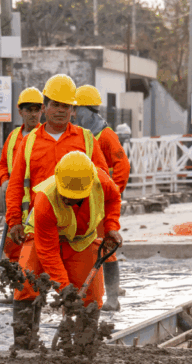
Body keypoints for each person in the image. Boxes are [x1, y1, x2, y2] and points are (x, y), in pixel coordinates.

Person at [13, 151, 122, 349]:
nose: (70, 202)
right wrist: (65, 290)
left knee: (91, 294)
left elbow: (114, 199)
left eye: (76, 198)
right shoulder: (45, 200)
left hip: (82, 240)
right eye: (66, 198)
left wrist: (111, 227)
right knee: (27, 280)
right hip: (41, 238)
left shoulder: (101, 182)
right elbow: (48, 252)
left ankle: (83, 345)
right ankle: (24, 344)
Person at [6, 74, 109, 249]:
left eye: (65, 106)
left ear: (72, 110)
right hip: (40, 228)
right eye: (55, 104)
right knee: (32, 276)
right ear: (44, 108)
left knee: (81, 277)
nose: (61, 110)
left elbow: (104, 184)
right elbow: (16, 184)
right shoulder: (29, 142)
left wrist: (107, 226)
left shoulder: (87, 139)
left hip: (79, 234)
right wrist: (14, 220)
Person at [74, 84, 131, 311]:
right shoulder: (80, 134)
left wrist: (112, 193)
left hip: (101, 202)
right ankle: (86, 292)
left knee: (106, 245)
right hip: (80, 202)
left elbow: (122, 165)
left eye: (77, 110)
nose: (74, 114)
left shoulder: (105, 136)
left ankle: (112, 298)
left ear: (88, 111)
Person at [0, 87, 44, 263]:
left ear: (42, 111)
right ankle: (16, 283)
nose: (33, 114)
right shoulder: (13, 137)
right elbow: (3, 164)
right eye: (29, 110)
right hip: (16, 203)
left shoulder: (44, 136)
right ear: (20, 112)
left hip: (36, 203)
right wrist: (4, 180)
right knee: (13, 246)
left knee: (38, 248)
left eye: (37, 110)